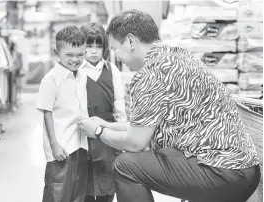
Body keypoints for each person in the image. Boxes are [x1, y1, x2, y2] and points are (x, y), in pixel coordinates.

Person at [78, 9, 261, 202]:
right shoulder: (176, 56)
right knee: (163, 153)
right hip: (245, 171)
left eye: (115, 49)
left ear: (131, 41)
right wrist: (105, 124)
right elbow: (142, 125)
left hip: (220, 171)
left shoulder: (150, 74)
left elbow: (135, 143)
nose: (116, 56)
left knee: (125, 166)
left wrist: (97, 131)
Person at [36, 25, 88, 202]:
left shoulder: (82, 76)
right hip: (62, 148)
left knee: (78, 194)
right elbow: (46, 113)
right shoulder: (50, 79)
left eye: (80, 54)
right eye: (69, 55)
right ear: (56, 52)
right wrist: (54, 144)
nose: (75, 59)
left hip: (80, 145)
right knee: (57, 194)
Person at [80, 23, 127, 202]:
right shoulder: (76, 71)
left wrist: (121, 138)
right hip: (82, 137)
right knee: (83, 189)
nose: (93, 51)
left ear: (105, 48)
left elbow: (119, 106)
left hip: (107, 138)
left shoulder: (112, 70)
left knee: (107, 189)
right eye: (89, 46)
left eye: (98, 46)